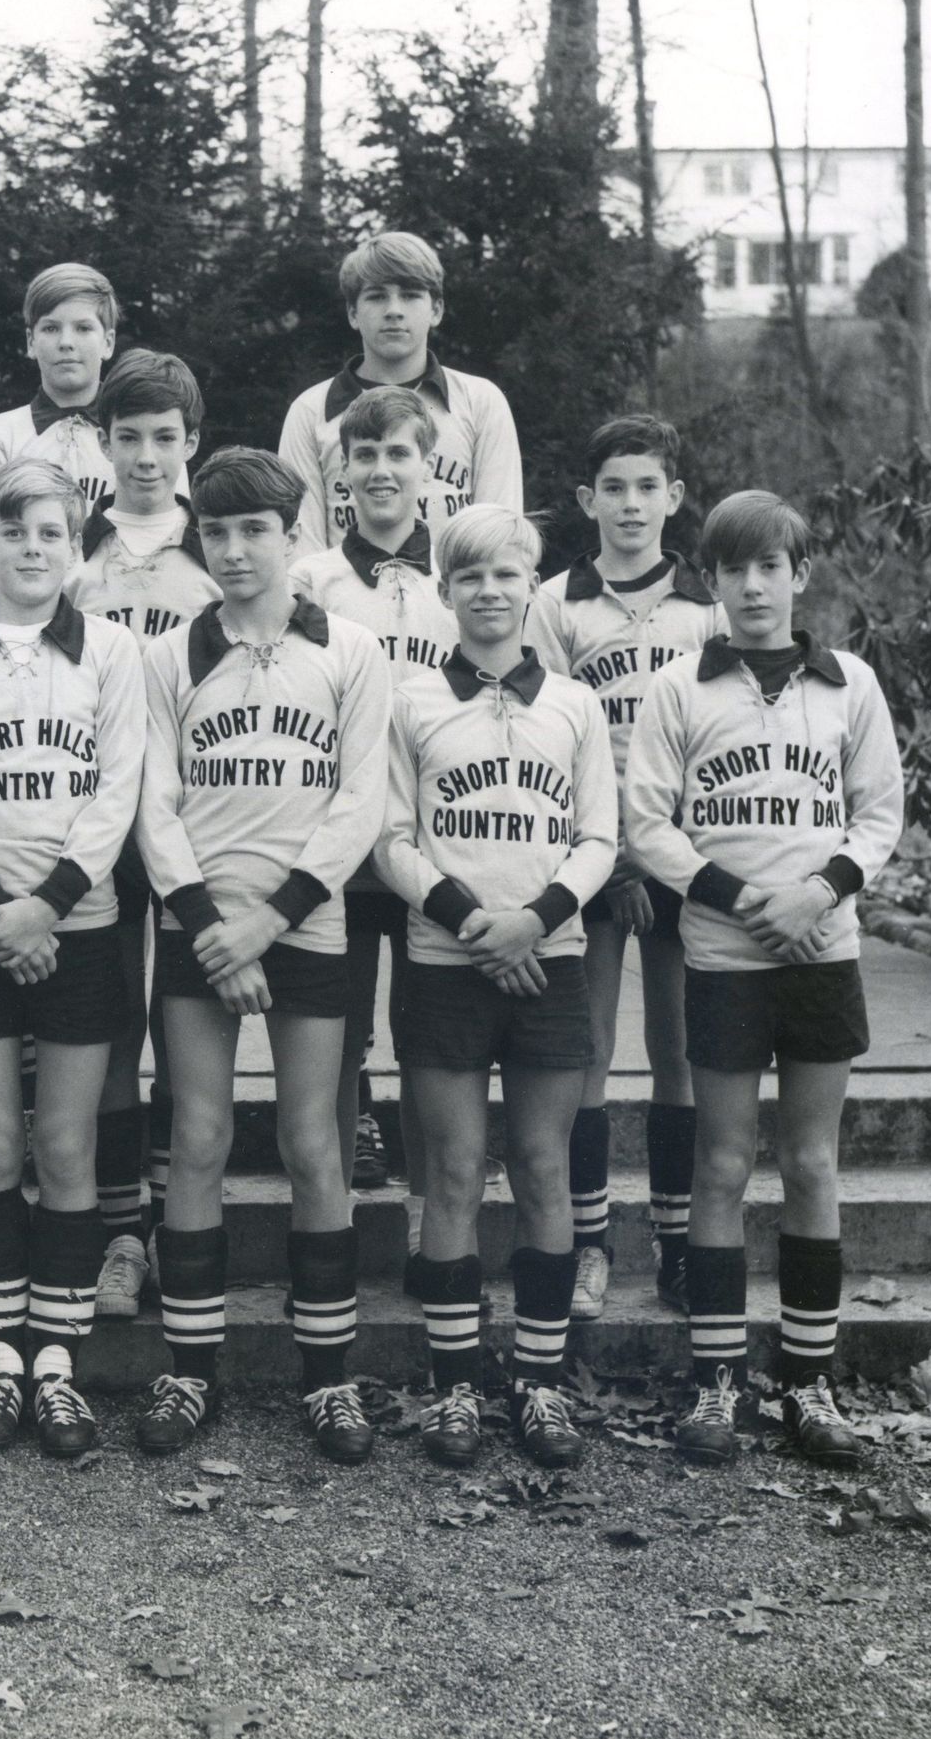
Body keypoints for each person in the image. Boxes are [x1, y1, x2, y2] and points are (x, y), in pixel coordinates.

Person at [622, 490, 904, 1470]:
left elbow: (878, 813)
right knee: (722, 1162)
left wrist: (819, 892)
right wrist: (743, 899)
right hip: (726, 953)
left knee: (814, 1162)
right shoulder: (679, 687)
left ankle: (807, 1382)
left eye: (770, 567)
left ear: (801, 575)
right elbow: (648, 822)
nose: (752, 586)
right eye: (733, 569)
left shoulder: (850, 683)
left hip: (821, 951)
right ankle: (716, 1378)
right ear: (710, 581)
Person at [132, 447, 391, 1461]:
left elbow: (359, 800)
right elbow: (154, 804)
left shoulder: (351, 650)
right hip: (199, 925)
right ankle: (190, 1369)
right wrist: (211, 925)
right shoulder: (170, 654)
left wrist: (270, 921)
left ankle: (328, 1378)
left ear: (293, 536)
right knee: (196, 1139)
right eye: (216, 532)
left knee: (312, 1144)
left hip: (305, 923)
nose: (235, 550)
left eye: (255, 531)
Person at [0, 460, 146, 1456]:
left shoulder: (113, 650)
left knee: (68, 1148)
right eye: (15, 532)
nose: (33, 548)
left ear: (77, 547)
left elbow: (118, 787)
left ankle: (59, 1361)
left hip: (78, 927)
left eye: (51, 532)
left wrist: (47, 906)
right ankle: (1, 1356)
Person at [376, 506, 616, 1471]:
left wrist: (535, 919)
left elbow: (598, 837)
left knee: (544, 1165)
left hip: (550, 959)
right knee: (453, 1170)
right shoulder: (410, 702)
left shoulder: (576, 705)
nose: (488, 591)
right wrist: (477, 922)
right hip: (446, 963)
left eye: (506, 574)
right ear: (444, 590)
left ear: (531, 587)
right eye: (469, 576)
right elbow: (392, 838)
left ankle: (541, 1382)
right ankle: (455, 1386)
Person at [527, 415, 724, 1324]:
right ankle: (592, 1245)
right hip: (593, 854)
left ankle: (678, 1247)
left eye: (648, 487)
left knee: (678, 1049)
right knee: (591, 1049)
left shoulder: (707, 609)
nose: (632, 504)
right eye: (614, 487)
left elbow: (720, 740)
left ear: (673, 497)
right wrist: (610, 865)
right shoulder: (555, 603)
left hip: (683, 852)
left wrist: (671, 856)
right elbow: (552, 742)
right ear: (587, 499)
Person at [287, 385, 461, 1249]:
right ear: (340, 474)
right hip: (343, 846)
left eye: (400, 453)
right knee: (340, 1035)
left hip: (437, 841)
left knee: (429, 1041)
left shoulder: (461, 576)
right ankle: (337, 1227)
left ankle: (433, 1228)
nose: (382, 469)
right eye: (365, 455)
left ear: (431, 468)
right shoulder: (311, 580)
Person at [67, 349, 222, 1315]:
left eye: (166, 437)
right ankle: (122, 1231)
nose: (147, 457)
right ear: (102, 442)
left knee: (183, 1024)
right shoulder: (73, 552)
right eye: (128, 437)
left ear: (192, 442)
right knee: (116, 1020)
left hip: (194, 814)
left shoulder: (218, 549)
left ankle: (176, 1218)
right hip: (98, 817)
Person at [276, 231, 522, 554]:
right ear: (353, 313)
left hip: (453, 586)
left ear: (436, 310)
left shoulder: (480, 401)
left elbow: (499, 533)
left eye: (410, 295)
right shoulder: (310, 410)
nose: (393, 310)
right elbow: (301, 549)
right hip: (339, 587)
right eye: (377, 296)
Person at [0, 263, 131, 595]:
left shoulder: (142, 438)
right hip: (29, 615)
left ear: (108, 342)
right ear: (30, 341)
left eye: (83, 328)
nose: (66, 342)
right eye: (51, 328)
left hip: (121, 612)